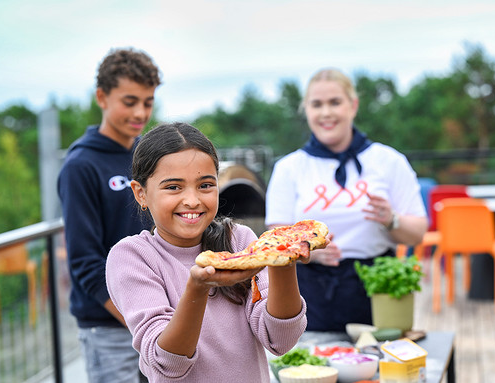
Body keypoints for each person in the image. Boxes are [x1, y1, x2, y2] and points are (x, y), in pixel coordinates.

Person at [105, 122, 310, 382]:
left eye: (205, 185)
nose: (192, 200)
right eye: (173, 187)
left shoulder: (240, 240)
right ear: (141, 193)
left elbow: (281, 340)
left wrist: (283, 259)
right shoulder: (132, 257)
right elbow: (168, 363)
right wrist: (198, 287)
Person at [265, 68, 428, 333]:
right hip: (309, 290)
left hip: (377, 287)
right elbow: (275, 238)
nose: (326, 113)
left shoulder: (389, 161)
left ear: (353, 106)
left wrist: (392, 219)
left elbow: (418, 234)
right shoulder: (289, 167)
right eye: (317, 104)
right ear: (306, 110)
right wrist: (311, 253)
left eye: (335, 102)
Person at [57, 48, 161, 383]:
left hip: (158, 315)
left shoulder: (149, 155)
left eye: (148, 101)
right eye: (129, 101)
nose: (140, 112)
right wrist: (138, 320)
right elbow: (85, 263)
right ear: (102, 97)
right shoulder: (80, 166)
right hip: (110, 328)